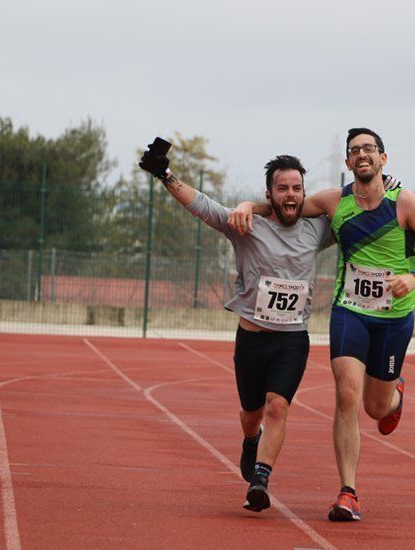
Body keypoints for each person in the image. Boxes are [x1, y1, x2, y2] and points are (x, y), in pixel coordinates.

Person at [229, 128, 415, 522]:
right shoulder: (335, 201)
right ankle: (348, 493)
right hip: (350, 311)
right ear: (348, 163)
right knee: (347, 395)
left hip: (394, 317)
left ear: (384, 158)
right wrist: (247, 203)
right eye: (354, 151)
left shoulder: (406, 203)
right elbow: (285, 206)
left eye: (369, 149)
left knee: (375, 406)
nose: (361, 154)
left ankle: (395, 396)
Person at [140, 145, 332, 513]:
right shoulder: (246, 226)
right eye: (282, 189)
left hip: (293, 340)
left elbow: (353, 211)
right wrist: (166, 176)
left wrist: (382, 191)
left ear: (304, 193)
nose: (290, 195)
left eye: (297, 188)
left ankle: (260, 478)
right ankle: (250, 441)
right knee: (251, 414)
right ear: (269, 194)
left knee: (278, 406)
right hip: (251, 340)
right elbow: (203, 206)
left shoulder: (317, 230)